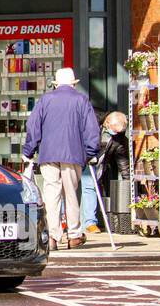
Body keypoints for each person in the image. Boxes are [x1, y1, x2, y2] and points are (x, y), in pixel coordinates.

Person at [21, 68, 101, 250]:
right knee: (71, 194)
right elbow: (92, 130)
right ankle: (74, 235)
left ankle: (52, 236)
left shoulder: (45, 100)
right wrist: (90, 153)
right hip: (73, 153)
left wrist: (28, 151)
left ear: (55, 84)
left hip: (48, 154)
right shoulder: (81, 100)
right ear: (74, 84)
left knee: (51, 194)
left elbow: (33, 127)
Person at [83, 111, 130, 234]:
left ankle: (90, 223)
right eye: (114, 130)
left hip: (96, 162)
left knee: (90, 186)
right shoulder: (92, 120)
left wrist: (127, 180)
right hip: (81, 155)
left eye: (118, 132)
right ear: (107, 122)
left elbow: (122, 160)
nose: (116, 134)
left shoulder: (119, 138)